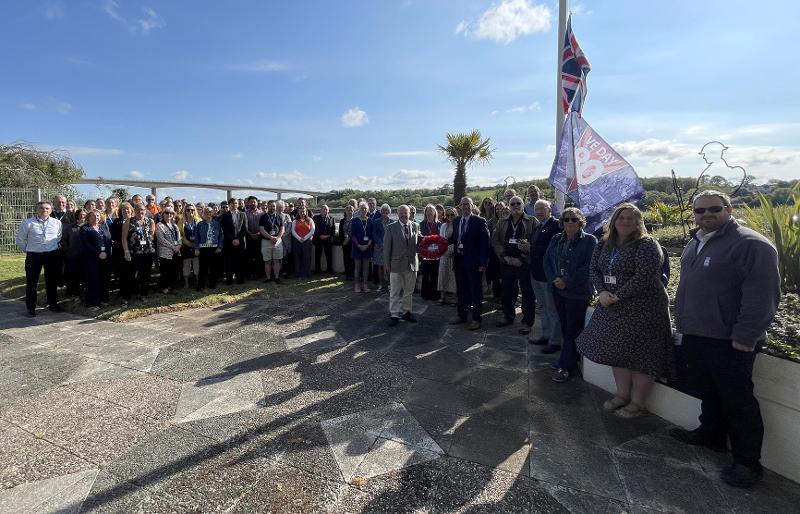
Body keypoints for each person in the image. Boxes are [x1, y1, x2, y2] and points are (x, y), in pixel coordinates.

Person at [669, 190, 781, 488]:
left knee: (738, 401)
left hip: (730, 340)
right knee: (708, 391)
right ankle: (711, 435)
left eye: (714, 209)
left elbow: (763, 294)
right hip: (698, 334)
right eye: (700, 211)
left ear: (729, 210)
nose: (706, 215)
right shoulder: (697, 242)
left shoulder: (750, 244)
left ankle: (747, 463)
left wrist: (746, 334)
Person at [576, 203, 673, 418]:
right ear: (614, 221)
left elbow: (645, 276)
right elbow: (594, 269)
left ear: (639, 222)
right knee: (617, 352)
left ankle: (637, 403)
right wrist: (601, 292)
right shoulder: (605, 244)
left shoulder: (647, 245)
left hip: (643, 308)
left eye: (631, 218)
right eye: (621, 217)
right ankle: (622, 395)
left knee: (641, 356)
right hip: (611, 304)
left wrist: (618, 296)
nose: (625, 221)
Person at [543, 207, 597, 382]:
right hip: (558, 290)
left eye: (574, 219)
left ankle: (564, 366)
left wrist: (567, 280)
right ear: (562, 222)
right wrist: (554, 279)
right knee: (566, 327)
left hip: (577, 292)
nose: (570, 222)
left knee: (572, 329)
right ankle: (570, 360)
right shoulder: (556, 239)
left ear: (581, 221)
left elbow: (588, 267)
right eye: (566, 219)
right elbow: (547, 261)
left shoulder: (590, 241)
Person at [492, 195, 537, 334]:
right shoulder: (502, 222)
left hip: (524, 264)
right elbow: (495, 241)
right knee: (507, 292)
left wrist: (521, 259)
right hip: (507, 263)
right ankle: (508, 316)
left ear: (523, 205)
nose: (516, 206)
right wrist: (505, 257)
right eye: (513, 204)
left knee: (527, 294)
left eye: (518, 203)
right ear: (509, 207)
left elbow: (535, 243)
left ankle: (527, 322)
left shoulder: (532, 221)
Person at [448, 196, 490, 330]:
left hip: (474, 263)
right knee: (461, 290)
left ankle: (477, 319)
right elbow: (453, 239)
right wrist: (435, 242)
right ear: (459, 207)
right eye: (463, 204)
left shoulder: (479, 221)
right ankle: (462, 315)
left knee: (475, 291)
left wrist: (483, 263)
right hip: (459, 261)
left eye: (468, 204)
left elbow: (485, 244)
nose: (465, 207)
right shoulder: (456, 221)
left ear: (472, 206)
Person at [16, 201, 63, 316]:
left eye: (47, 208)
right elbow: (20, 239)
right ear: (36, 210)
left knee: (51, 281)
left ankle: (53, 304)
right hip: (34, 255)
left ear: (51, 210)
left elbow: (58, 238)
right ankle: (31, 308)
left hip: (51, 255)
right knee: (32, 282)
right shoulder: (27, 223)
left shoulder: (57, 223)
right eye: (41, 208)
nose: (44, 210)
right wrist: (28, 249)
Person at [528, 200, 563, 348]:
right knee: (542, 307)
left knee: (551, 308)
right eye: (536, 209)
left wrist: (530, 248)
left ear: (549, 210)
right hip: (536, 273)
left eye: (542, 209)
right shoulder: (538, 226)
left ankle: (555, 341)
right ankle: (546, 335)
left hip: (547, 275)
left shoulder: (556, 226)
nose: (539, 212)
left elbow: (552, 250)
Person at [384, 205, 421, 326]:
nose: (404, 215)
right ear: (397, 214)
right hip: (395, 265)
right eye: (401, 213)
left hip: (411, 264)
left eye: (406, 213)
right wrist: (387, 264)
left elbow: (420, 243)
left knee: (408, 291)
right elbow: (386, 248)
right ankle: (394, 314)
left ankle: (407, 312)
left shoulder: (415, 226)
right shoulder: (390, 228)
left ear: (410, 213)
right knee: (394, 291)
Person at [121, 204, 156, 303]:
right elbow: (123, 238)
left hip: (148, 252)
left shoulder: (150, 221)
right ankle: (128, 296)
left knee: (146, 275)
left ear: (145, 211)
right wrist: (126, 251)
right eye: (138, 210)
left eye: (142, 210)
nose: (140, 212)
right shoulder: (129, 221)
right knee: (132, 275)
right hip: (134, 253)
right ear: (134, 210)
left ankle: (143, 294)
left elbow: (151, 235)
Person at [80, 210, 112, 311]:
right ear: (88, 218)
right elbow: (86, 244)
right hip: (91, 258)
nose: (96, 217)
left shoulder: (103, 227)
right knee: (93, 279)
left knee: (104, 278)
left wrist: (106, 252)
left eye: (98, 215)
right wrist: (98, 253)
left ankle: (104, 299)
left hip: (105, 257)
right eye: (93, 216)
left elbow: (108, 240)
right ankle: (92, 303)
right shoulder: (85, 228)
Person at [194, 207, 223, 290]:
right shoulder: (200, 224)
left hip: (214, 248)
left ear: (213, 213)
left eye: (210, 212)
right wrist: (196, 248)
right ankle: (201, 286)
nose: (208, 214)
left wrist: (220, 246)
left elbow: (221, 236)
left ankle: (212, 285)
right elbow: (197, 237)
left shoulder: (217, 223)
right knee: (203, 269)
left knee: (213, 268)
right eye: (206, 212)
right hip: (203, 249)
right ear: (203, 214)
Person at [220, 198, 247, 285]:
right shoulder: (225, 215)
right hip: (229, 242)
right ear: (229, 205)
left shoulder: (243, 214)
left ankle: (240, 279)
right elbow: (224, 229)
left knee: (240, 261)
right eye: (232, 203)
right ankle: (229, 280)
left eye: (235, 203)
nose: (234, 205)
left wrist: (238, 239)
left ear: (238, 204)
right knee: (229, 262)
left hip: (240, 242)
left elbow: (245, 229)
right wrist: (232, 239)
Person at [61, 208, 86, 298]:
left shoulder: (89, 227)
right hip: (73, 257)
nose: (82, 216)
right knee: (74, 276)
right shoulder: (70, 228)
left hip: (86, 256)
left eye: (84, 214)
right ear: (77, 216)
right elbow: (63, 241)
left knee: (85, 276)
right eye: (81, 214)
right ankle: (74, 294)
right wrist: (68, 251)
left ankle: (84, 293)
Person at [156, 207, 182, 294]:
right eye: (167, 213)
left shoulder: (174, 225)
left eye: (171, 213)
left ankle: (173, 287)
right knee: (165, 271)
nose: (169, 215)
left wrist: (178, 245)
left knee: (174, 271)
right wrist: (172, 246)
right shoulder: (159, 225)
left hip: (175, 252)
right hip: (165, 253)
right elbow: (161, 239)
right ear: (163, 214)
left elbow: (179, 237)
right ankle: (164, 287)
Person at [110, 202, 133, 298]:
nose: (126, 210)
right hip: (120, 251)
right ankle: (123, 292)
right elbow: (114, 236)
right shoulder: (116, 221)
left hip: (133, 250)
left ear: (131, 210)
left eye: (127, 209)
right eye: (123, 209)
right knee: (122, 273)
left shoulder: (134, 221)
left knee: (132, 272)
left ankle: (133, 291)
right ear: (120, 211)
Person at [419, 204, 441, 301]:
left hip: (436, 253)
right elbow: (419, 238)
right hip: (425, 253)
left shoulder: (439, 224)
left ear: (434, 213)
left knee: (435, 274)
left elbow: (441, 239)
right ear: (425, 213)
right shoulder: (421, 224)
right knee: (426, 274)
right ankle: (425, 294)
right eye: (428, 211)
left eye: (431, 211)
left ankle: (435, 295)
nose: (429, 213)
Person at [259, 200, 286, 283]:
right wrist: (270, 237)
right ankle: (268, 278)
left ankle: (276, 277)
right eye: (271, 206)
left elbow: (282, 228)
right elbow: (261, 229)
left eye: (274, 206)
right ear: (267, 206)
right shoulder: (263, 217)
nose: (272, 208)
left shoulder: (279, 216)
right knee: (267, 261)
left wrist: (277, 237)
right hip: (266, 241)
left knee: (276, 260)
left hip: (277, 241)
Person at [485, 202, 506, 301]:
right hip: (494, 253)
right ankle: (497, 295)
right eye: (497, 209)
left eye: (501, 208)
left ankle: (505, 296)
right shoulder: (490, 222)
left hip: (505, 252)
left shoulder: (508, 220)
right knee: (496, 276)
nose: (499, 210)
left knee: (505, 276)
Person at [351, 202, 374, 292]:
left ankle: (365, 285)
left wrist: (367, 245)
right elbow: (352, 235)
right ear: (359, 210)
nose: (364, 210)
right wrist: (359, 245)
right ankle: (357, 285)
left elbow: (372, 235)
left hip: (367, 248)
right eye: (362, 208)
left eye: (365, 208)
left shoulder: (370, 221)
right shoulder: (355, 220)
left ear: (367, 210)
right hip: (357, 247)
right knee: (357, 267)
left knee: (366, 267)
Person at [437, 207, 458, 304]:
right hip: (444, 252)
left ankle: (454, 298)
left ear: (455, 214)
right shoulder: (443, 226)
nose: (450, 217)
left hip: (455, 253)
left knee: (453, 276)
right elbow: (441, 239)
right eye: (448, 215)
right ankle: (442, 297)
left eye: (452, 215)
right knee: (442, 274)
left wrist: (453, 250)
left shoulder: (458, 224)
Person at [180, 204, 200, 288]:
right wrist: (188, 243)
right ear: (185, 211)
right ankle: (186, 283)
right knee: (186, 265)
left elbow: (201, 234)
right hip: (186, 247)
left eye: (192, 210)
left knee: (196, 265)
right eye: (188, 210)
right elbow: (180, 235)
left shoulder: (198, 220)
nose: (190, 211)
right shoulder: (181, 221)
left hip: (196, 247)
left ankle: (198, 281)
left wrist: (195, 244)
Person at [291, 205, 315, 278]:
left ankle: (307, 273)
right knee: (298, 257)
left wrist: (305, 238)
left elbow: (312, 230)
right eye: (301, 211)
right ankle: (298, 273)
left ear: (306, 212)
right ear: (298, 212)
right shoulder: (295, 221)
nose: (302, 213)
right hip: (297, 241)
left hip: (307, 241)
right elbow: (293, 231)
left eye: (304, 211)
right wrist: (299, 238)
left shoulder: (310, 220)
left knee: (307, 257)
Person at [243, 196, 263, 280]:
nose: (253, 203)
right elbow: (244, 226)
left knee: (259, 256)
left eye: (254, 202)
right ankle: (249, 274)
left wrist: (258, 233)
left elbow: (263, 226)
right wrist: (251, 234)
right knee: (249, 256)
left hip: (259, 237)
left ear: (257, 202)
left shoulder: (262, 213)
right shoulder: (245, 214)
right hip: (249, 238)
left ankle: (259, 274)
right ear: (248, 203)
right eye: (251, 202)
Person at [312, 205, 336, 273]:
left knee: (329, 256)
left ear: (328, 211)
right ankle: (317, 270)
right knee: (317, 256)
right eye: (323, 209)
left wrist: (327, 236)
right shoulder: (315, 218)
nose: (325, 211)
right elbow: (314, 229)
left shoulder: (332, 218)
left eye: (326, 210)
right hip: (318, 240)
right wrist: (320, 235)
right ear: (321, 210)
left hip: (328, 240)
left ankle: (329, 269)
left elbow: (333, 230)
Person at [277, 200, 293, 278]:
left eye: (281, 207)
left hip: (286, 239)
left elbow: (290, 227)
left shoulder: (287, 216)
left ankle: (285, 271)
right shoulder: (274, 215)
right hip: (277, 239)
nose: (280, 209)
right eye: (278, 207)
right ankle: (278, 272)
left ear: (284, 208)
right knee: (278, 256)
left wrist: (283, 234)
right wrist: (279, 236)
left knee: (285, 256)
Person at [339, 204, 355, 280]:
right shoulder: (342, 221)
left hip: (353, 243)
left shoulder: (356, 220)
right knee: (346, 258)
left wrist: (349, 238)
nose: (349, 212)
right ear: (346, 211)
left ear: (353, 211)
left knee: (352, 259)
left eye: (351, 210)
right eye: (348, 210)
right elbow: (340, 232)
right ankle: (348, 274)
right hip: (344, 243)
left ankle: (353, 274)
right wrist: (343, 241)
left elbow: (355, 232)